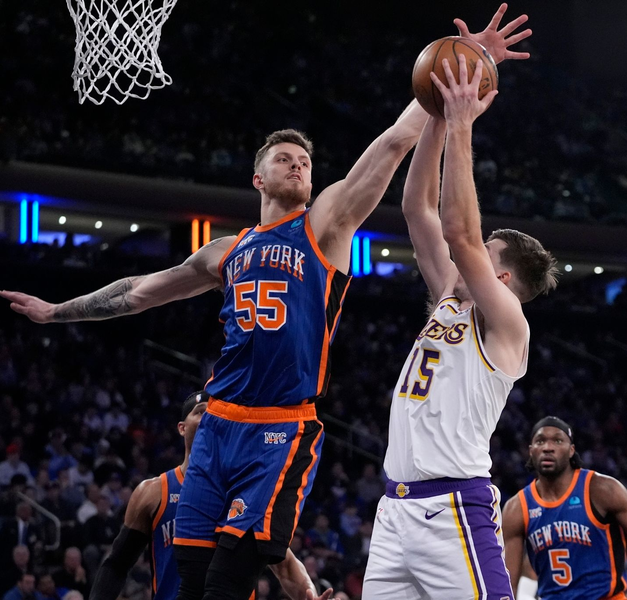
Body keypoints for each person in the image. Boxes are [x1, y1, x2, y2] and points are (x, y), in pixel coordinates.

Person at [0, 5, 529, 599]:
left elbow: (392, 146)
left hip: (280, 424)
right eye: (285, 159)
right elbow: (140, 292)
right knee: (192, 575)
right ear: (258, 179)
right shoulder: (225, 252)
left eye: (305, 161)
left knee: (233, 576)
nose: (299, 165)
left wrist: (455, 70)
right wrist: (56, 311)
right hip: (218, 421)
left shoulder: (325, 225)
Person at [363, 17, 552, 597]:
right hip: (394, 511)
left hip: (453, 509)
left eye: (485, 252)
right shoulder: (451, 292)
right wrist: (440, 116)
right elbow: (417, 206)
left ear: (499, 274)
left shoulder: (507, 324)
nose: (469, 252)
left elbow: (459, 231)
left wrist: (465, 122)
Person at [90, 391, 331, 600]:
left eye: (217, 412)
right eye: (201, 411)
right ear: (182, 428)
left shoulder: (250, 492)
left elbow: (285, 565)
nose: (211, 417)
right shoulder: (154, 492)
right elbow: (117, 564)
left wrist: (308, 592)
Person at [502, 417, 627, 600]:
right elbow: (507, 580)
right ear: (531, 450)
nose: (548, 447)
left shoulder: (601, 489)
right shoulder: (517, 508)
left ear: (571, 450)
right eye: (540, 441)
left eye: (557, 441)